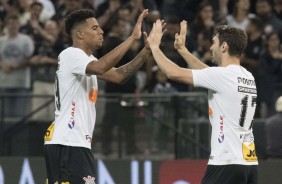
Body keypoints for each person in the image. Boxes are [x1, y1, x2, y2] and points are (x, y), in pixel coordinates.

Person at [44, 9, 150, 184]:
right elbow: (100, 67)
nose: (101, 32)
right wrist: (131, 39)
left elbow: (119, 76)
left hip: (73, 143)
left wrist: (146, 50)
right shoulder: (71, 54)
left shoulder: (86, 60)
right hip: (68, 143)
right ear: (79, 34)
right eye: (94, 28)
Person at [147, 20, 258, 183]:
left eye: (214, 42)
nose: (211, 47)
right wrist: (183, 51)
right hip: (249, 163)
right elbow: (207, 74)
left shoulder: (223, 76)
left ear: (224, 46)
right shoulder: (247, 76)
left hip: (226, 162)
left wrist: (155, 47)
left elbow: (173, 73)